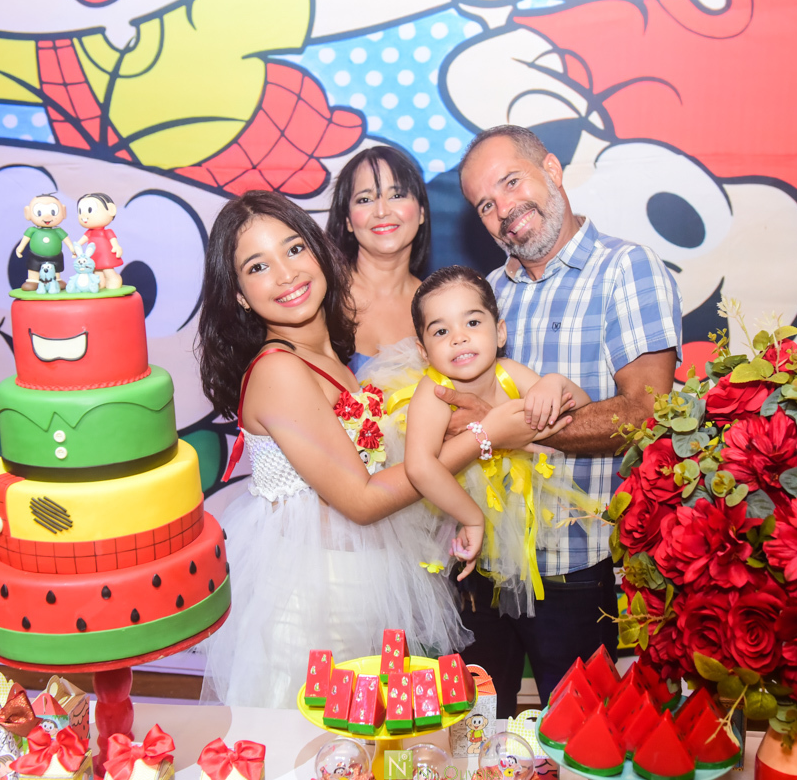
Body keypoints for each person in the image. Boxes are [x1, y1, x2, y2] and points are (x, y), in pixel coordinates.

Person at [194, 190, 569, 709]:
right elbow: (363, 499)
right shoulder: (280, 369)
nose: (285, 274)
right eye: (258, 266)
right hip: (309, 601)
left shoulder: (329, 356)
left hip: (357, 586)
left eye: (294, 249)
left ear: (319, 253)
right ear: (238, 294)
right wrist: (484, 437)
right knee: (303, 740)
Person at [450, 124, 684, 716]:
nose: (504, 209)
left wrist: (504, 427)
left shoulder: (626, 268)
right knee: (476, 728)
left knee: (579, 734)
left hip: (576, 565)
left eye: (511, 182)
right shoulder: (484, 295)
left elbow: (647, 413)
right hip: (483, 565)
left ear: (551, 170)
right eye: (485, 204)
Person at [371, 265, 596, 618]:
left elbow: (580, 409)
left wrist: (555, 383)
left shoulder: (509, 373)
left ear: (500, 331)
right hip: (447, 507)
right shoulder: (434, 392)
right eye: (441, 331)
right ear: (424, 351)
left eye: (473, 322)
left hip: (514, 512)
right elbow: (420, 467)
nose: (459, 338)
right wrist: (472, 518)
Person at [326, 146, 431, 379]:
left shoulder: (438, 305)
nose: (382, 211)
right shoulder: (322, 299)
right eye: (365, 199)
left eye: (396, 195)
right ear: (348, 221)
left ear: (422, 211)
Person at [15, 193, 75, 291]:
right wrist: (20, 249)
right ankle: (33, 280)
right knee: (34, 268)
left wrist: (72, 249)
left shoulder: (58, 231)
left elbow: (67, 241)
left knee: (56, 268)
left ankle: (56, 279)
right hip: (35, 256)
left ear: (64, 212)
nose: (47, 216)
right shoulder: (32, 230)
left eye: (53, 212)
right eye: (39, 212)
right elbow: (24, 241)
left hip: (55, 256)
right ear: (28, 213)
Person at [74, 192, 125, 290]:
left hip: (106, 255)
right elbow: (79, 243)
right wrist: (75, 249)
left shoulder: (108, 232)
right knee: (96, 270)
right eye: (80, 211)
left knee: (107, 269)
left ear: (111, 210)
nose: (84, 215)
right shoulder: (89, 233)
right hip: (93, 255)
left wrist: (116, 247)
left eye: (90, 210)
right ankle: (100, 282)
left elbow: (114, 241)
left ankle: (114, 278)